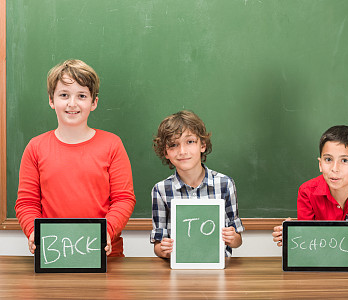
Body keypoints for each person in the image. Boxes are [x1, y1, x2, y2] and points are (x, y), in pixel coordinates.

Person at [15, 59, 136, 257]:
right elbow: (26, 203)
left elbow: (124, 199)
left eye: (81, 96)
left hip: (104, 256)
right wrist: (33, 231)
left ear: (93, 102)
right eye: (64, 95)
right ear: (51, 100)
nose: (72, 104)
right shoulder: (35, 148)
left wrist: (107, 230)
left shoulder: (112, 145)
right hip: (53, 254)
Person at [272, 125, 348, 260]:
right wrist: (294, 237)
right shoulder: (307, 192)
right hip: (321, 268)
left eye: (344, 160)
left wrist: (347, 244)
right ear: (320, 164)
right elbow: (309, 248)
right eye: (328, 159)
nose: (334, 168)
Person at [150, 110, 244, 258]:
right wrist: (164, 249)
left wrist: (232, 238)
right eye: (173, 145)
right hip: (179, 268)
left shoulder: (225, 184)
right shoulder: (161, 190)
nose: (182, 151)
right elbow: (158, 245)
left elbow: (238, 240)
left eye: (190, 142)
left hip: (217, 267)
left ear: (203, 145)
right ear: (166, 152)